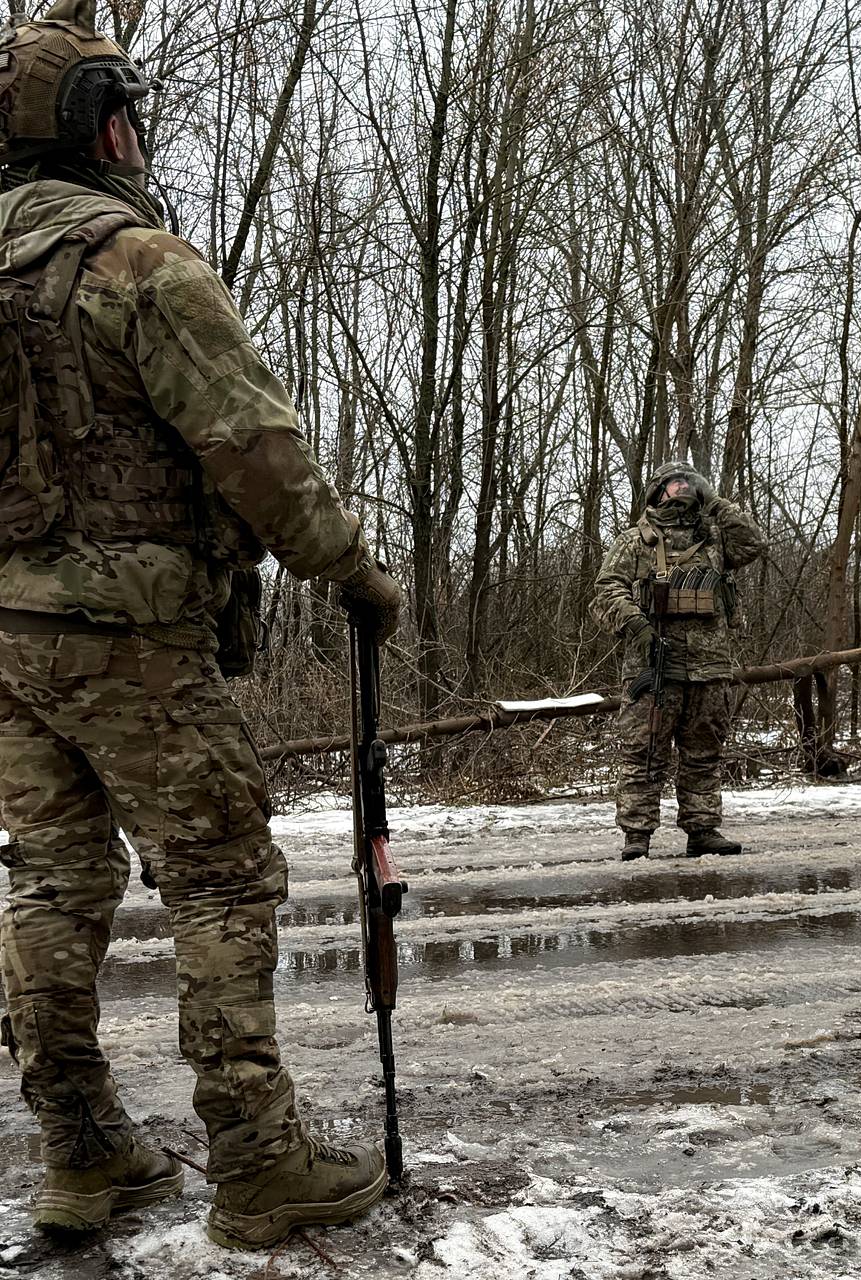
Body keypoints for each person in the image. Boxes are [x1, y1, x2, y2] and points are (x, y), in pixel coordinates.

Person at [0, 0, 401, 1248]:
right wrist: (351, 572)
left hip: (2, 632)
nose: (134, 133)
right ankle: (256, 1154)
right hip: (128, 628)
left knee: (56, 877)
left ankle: (84, 1150)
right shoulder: (138, 266)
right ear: (92, 129)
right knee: (222, 872)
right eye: (120, 111)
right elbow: (253, 448)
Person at [592, 461, 765, 861]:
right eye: (673, 482)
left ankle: (703, 829)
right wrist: (636, 624)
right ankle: (637, 836)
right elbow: (605, 591)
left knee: (704, 752)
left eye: (688, 481)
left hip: (709, 667)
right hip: (652, 666)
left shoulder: (716, 538)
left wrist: (717, 502)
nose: (682, 487)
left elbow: (754, 543)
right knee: (644, 753)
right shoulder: (636, 541)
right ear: (656, 492)